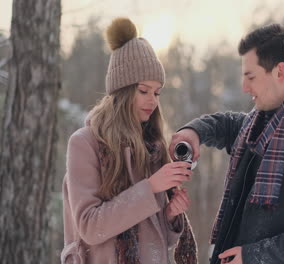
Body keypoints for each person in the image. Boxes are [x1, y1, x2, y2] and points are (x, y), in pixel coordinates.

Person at [170, 24, 284, 264]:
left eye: (251, 77)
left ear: (280, 72)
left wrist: (253, 256)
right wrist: (194, 131)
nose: (245, 88)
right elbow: (228, 124)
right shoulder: (258, 125)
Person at [61, 17, 197, 264]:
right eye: (143, 91)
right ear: (122, 92)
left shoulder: (151, 148)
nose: (153, 100)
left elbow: (157, 243)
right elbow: (90, 227)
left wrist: (169, 214)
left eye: (157, 93)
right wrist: (151, 187)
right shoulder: (84, 144)